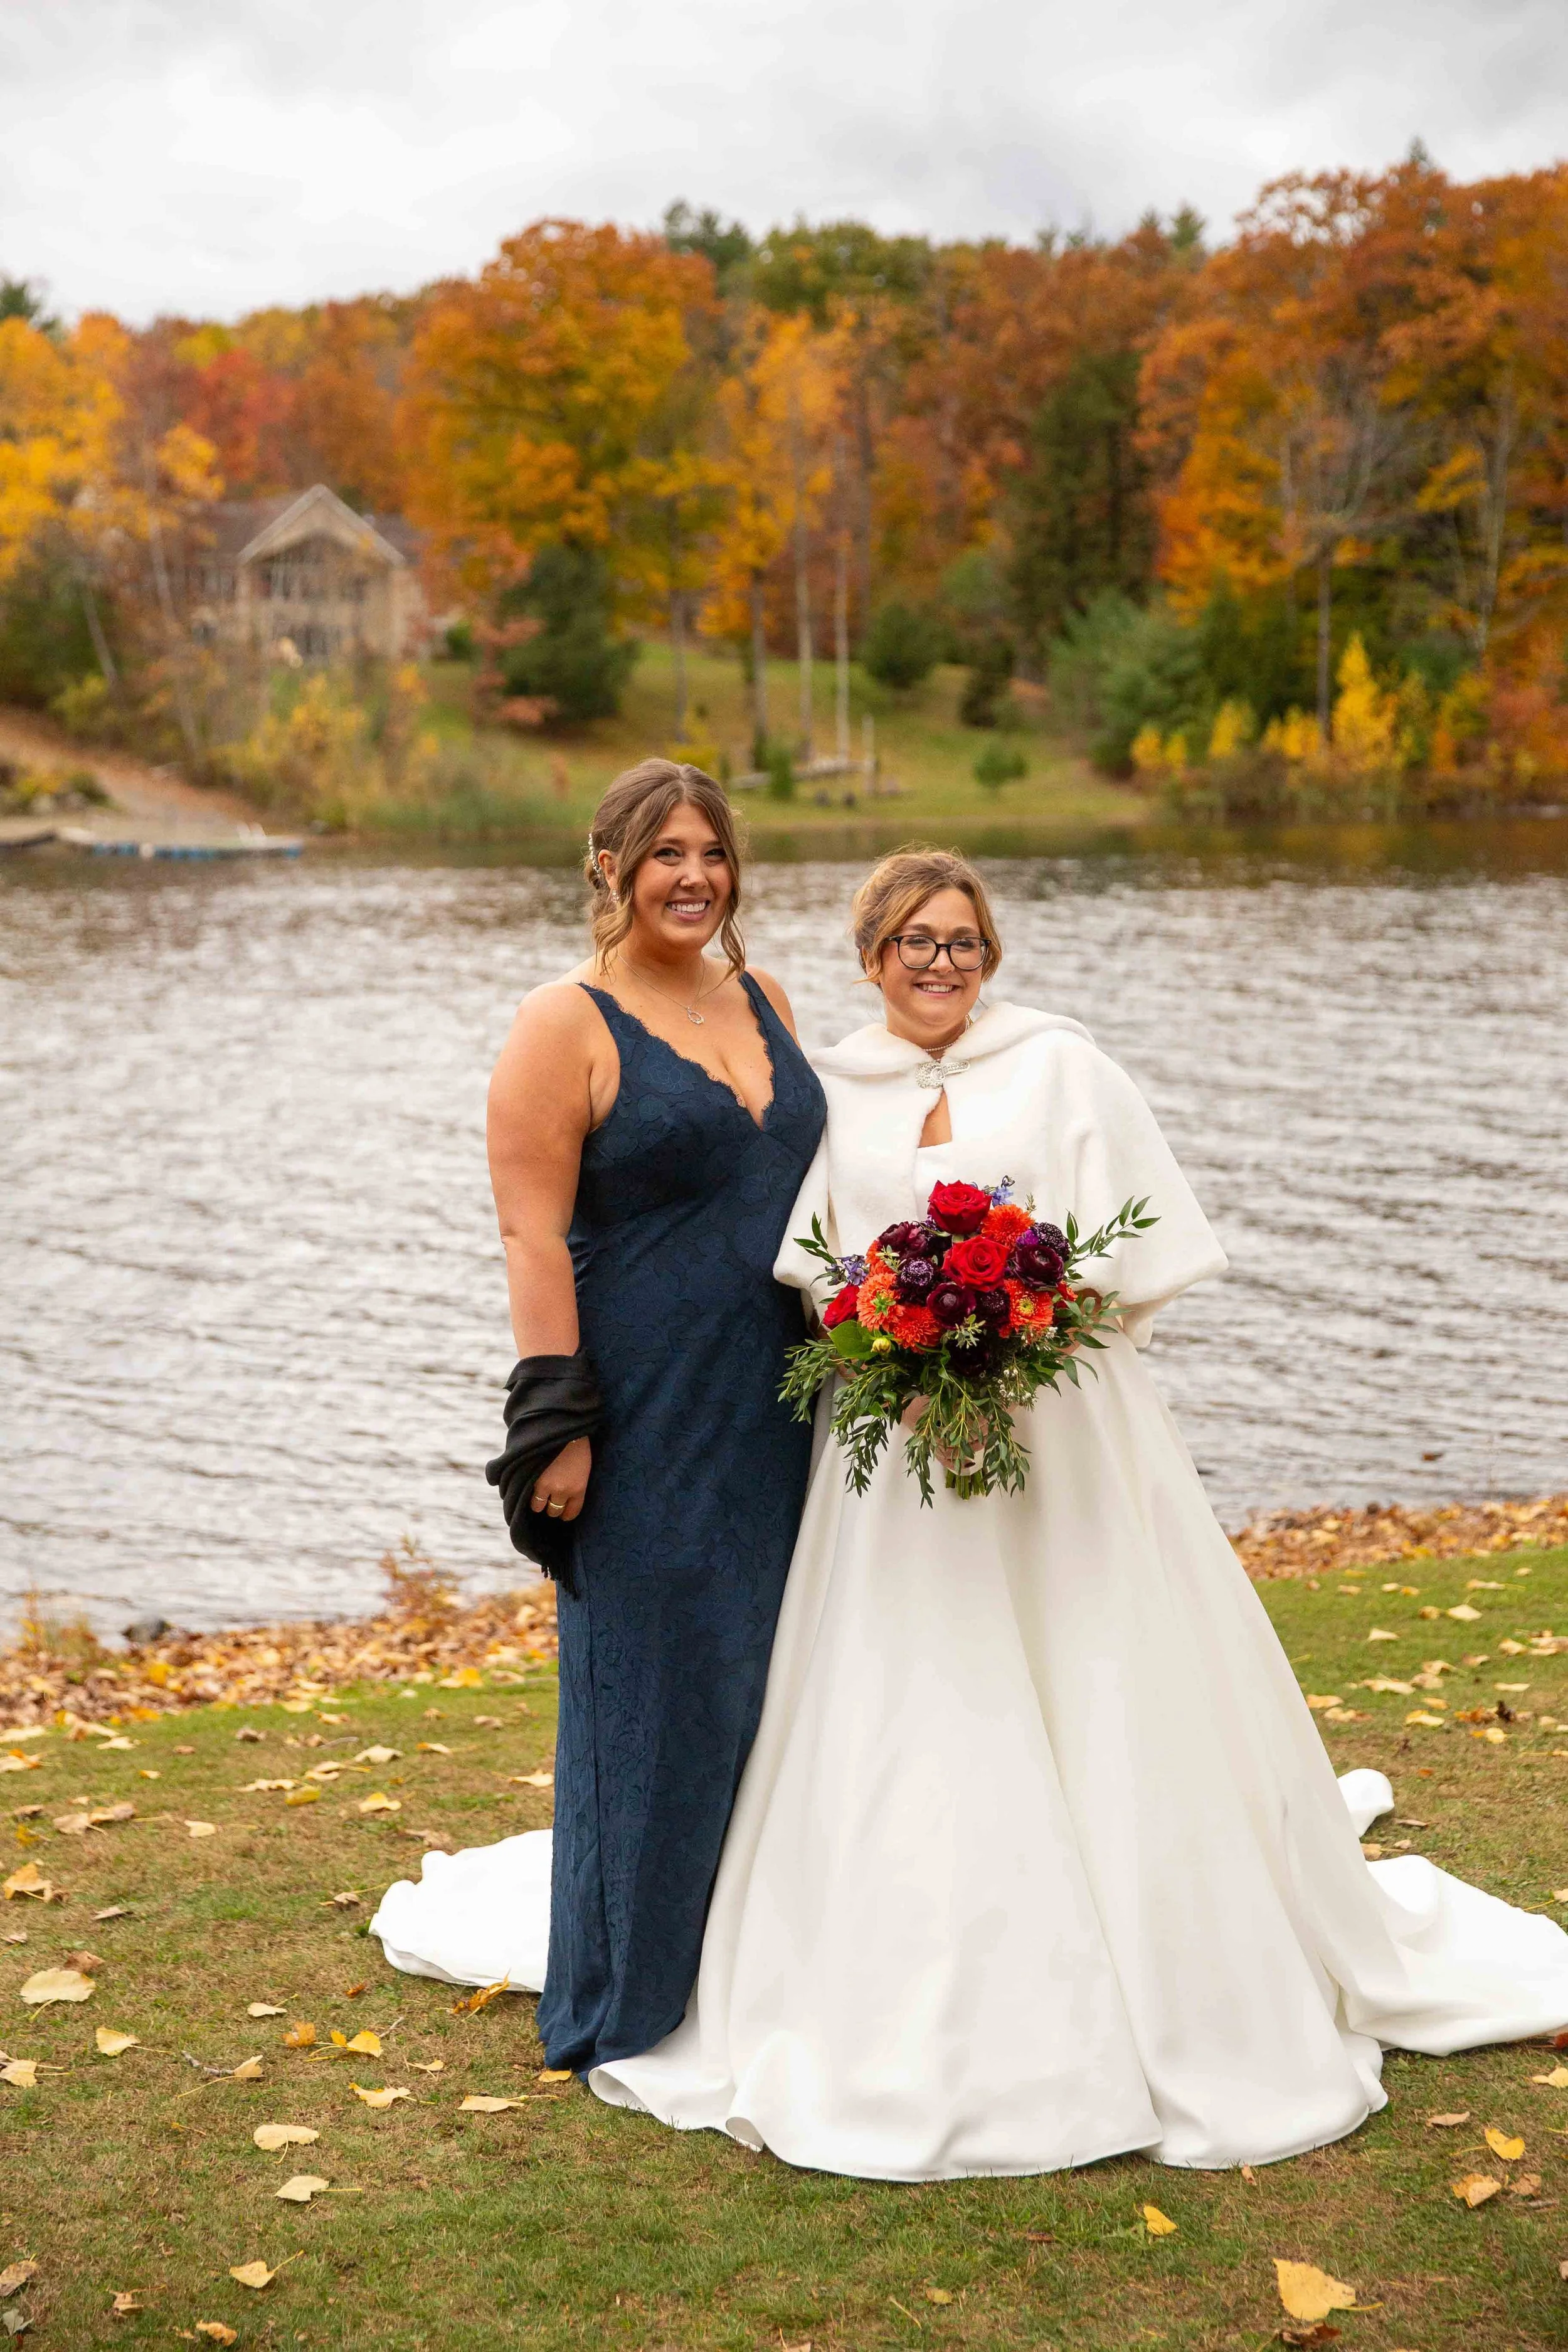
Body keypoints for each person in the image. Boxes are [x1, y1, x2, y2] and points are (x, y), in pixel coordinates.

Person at [581, 845, 1568, 2178]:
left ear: (989, 956)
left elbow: (1133, 1252)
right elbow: (811, 1264)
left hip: (1064, 1441)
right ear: (869, 954)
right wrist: (894, 1344)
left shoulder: (1061, 1066)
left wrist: (1016, 1334)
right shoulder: (835, 1092)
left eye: (963, 942)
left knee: (1103, 1674)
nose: (940, 964)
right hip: (894, 1461)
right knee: (912, 1698)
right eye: (914, 941)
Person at [372, 760, 825, 2074]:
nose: (691, 876)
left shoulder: (769, 1000)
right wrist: (555, 1425)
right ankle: (627, 1989)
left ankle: (756, 1964)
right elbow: (529, 1235)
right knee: (655, 1688)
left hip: (788, 1395)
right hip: (643, 1407)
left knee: (776, 1680)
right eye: (663, 853)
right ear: (609, 868)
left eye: (711, 853)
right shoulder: (559, 1023)